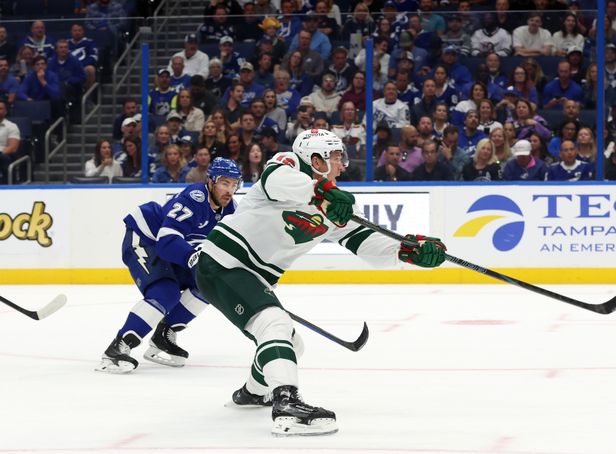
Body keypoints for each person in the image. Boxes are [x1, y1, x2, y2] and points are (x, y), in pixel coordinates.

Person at [194, 129, 447, 436]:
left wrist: (406, 252)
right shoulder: (287, 166)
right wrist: (321, 192)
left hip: (251, 275)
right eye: (337, 157)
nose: (343, 164)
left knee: (292, 345)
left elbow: (365, 243)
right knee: (273, 324)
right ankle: (286, 404)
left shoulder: (339, 207)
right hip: (223, 262)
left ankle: (251, 392)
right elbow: (276, 179)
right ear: (316, 159)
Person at [98, 158, 242, 374]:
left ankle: (163, 334)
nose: (229, 190)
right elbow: (166, 242)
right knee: (165, 292)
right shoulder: (194, 198)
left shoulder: (230, 209)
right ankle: (117, 348)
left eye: (234, 184)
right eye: (224, 183)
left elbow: (231, 249)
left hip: (174, 250)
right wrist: (193, 258)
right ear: (211, 181)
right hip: (146, 238)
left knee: (208, 284)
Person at [0, 100, 20, 181]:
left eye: (0, 108)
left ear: (5, 112)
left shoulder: (11, 126)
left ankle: (7, 186)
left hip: (2, 154)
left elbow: (13, 147)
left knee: (4, 159)